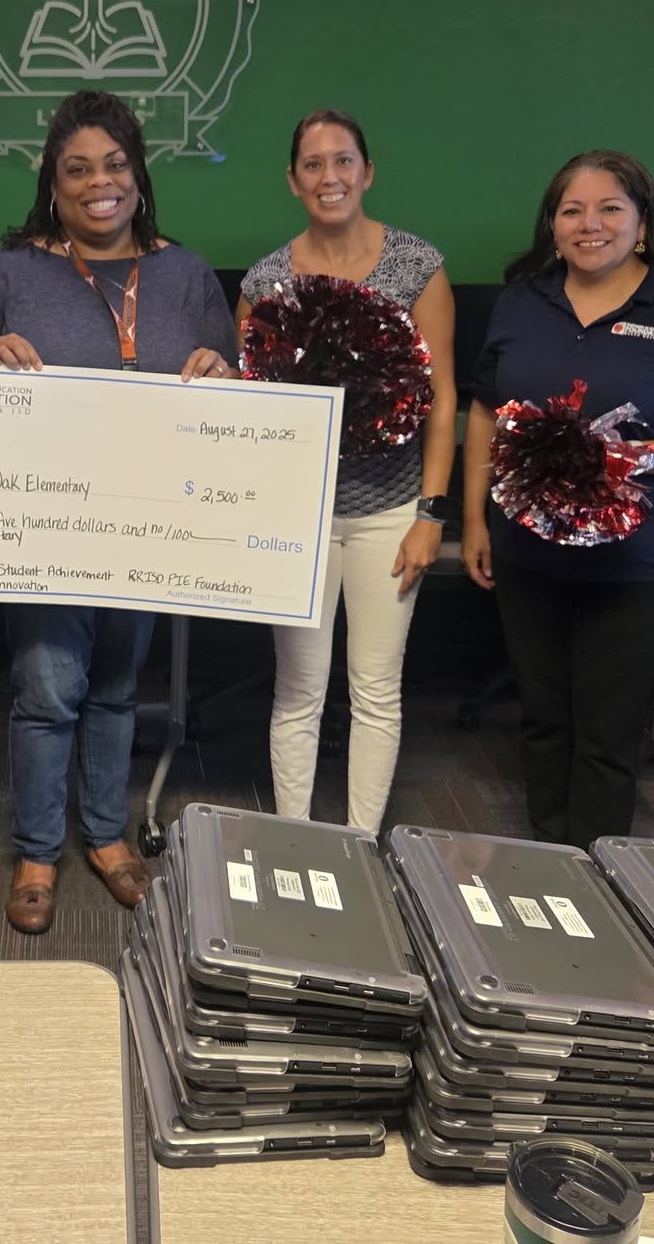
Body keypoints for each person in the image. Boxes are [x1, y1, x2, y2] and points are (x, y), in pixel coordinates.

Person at [0, 88, 238, 934]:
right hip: (44, 523)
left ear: (138, 176)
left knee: (114, 684)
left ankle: (106, 836)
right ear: (53, 184)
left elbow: (235, 391)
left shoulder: (186, 274)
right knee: (47, 687)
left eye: (114, 165)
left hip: (149, 519)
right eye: (77, 169)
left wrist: (224, 376)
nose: (98, 183)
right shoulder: (9, 273)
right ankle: (38, 850)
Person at [464, 151, 654, 851]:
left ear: (644, 224)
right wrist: (475, 518)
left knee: (607, 730)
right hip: (528, 550)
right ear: (553, 226)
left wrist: (634, 456)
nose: (589, 224)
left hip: (641, 563)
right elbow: (484, 412)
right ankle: (547, 858)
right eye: (571, 211)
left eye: (609, 209)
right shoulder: (521, 302)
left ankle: (596, 874)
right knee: (543, 718)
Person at [238, 111, 457, 833]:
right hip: (297, 517)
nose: (328, 177)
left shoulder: (416, 266)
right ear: (292, 179)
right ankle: (293, 837)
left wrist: (430, 514)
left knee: (376, 689)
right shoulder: (266, 281)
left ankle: (362, 844)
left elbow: (442, 400)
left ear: (367, 171)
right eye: (312, 164)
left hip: (390, 511)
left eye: (342, 161)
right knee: (299, 689)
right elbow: (252, 410)